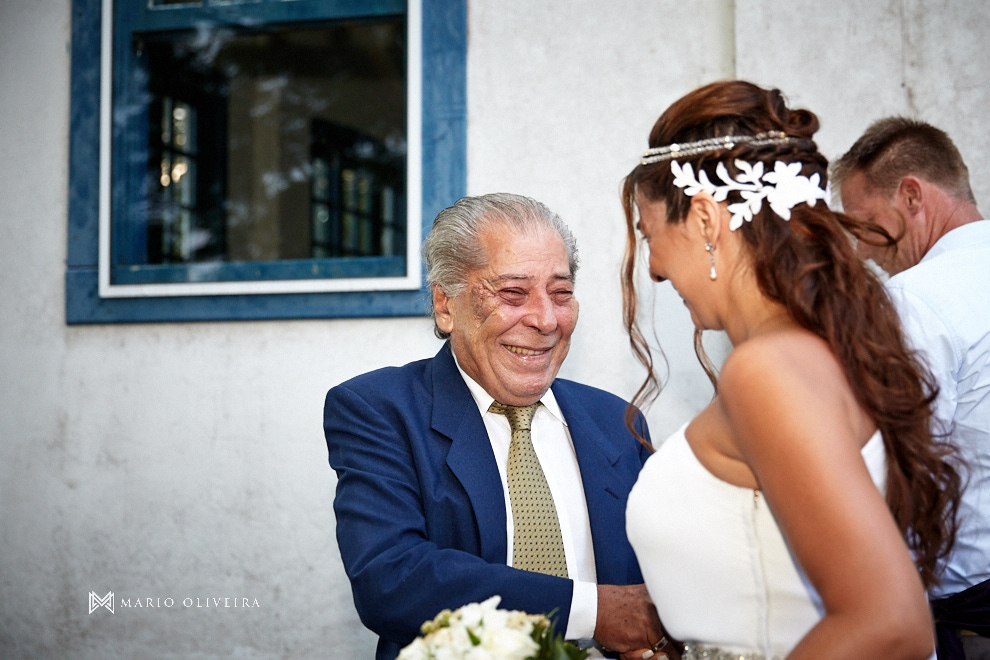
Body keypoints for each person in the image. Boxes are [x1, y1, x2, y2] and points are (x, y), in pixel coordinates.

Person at [620, 80, 963, 659]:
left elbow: (889, 621)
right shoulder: (825, 349)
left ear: (705, 220)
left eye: (651, 234)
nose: (652, 268)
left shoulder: (767, 370)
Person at [324, 193, 666, 660]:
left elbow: (663, 577)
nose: (546, 319)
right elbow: (393, 578)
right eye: (512, 293)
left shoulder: (617, 422)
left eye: (561, 293)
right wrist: (595, 612)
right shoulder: (379, 410)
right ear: (446, 305)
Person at [833, 118, 990, 660]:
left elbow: (904, 474)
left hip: (974, 609)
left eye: (867, 226)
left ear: (912, 195)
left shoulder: (916, 297)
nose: (863, 254)